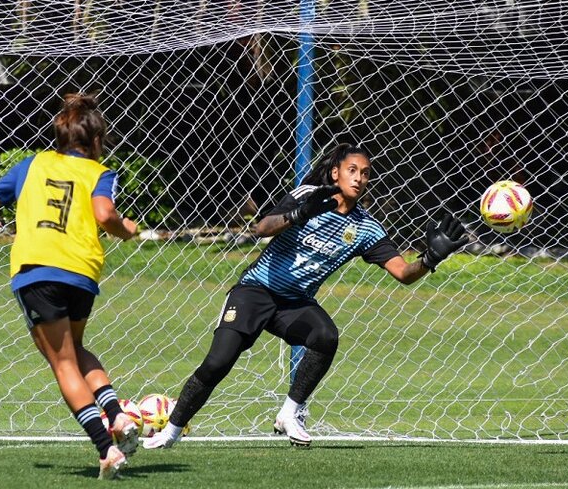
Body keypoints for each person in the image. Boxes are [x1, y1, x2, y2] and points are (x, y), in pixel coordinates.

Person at [143, 143, 468, 450]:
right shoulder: (308, 196)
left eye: (365, 172)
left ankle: (290, 412)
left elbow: (403, 274)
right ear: (335, 174)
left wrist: (429, 259)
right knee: (218, 362)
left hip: (294, 303)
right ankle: (171, 430)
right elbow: (262, 228)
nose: (359, 177)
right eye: (352, 169)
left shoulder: (367, 228)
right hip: (255, 292)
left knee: (325, 336)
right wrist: (297, 215)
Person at [0, 93, 139, 479]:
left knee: (61, 362)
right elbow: (106, 215)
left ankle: (105, 448)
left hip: (38, 270)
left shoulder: (32, 164)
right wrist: (125, 229)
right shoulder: (100, 172)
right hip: (81, 272)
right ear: (96, 141)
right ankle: (118, 416)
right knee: (74, 351)